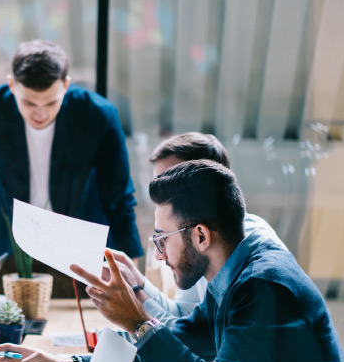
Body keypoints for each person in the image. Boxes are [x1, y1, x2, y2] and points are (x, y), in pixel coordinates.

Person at [0, 161, 344, 362]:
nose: (160, 254)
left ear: (200, 237)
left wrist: (138, 321)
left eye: (163, 239)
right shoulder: (233, 271)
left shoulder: (262, 285)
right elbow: (184, 341)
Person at [0, 40, 142, 304]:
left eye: (51, 103)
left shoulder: (98, 114)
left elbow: (119, 200)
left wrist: (134, 288)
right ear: (11, 85)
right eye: (28, 103)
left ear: (66, 85)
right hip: (12, 248)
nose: (40, 113)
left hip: (81, 249)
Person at [104, 132, 286, 327]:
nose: (160, 195)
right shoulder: (197, 248)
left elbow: (199, 347)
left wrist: (136, 311)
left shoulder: (237, 254)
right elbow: (185, 319)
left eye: (169, 182)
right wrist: (138, 282)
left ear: (203, 178)